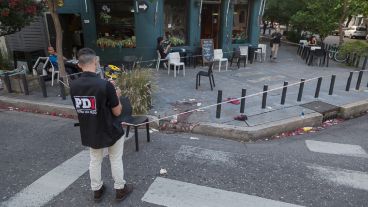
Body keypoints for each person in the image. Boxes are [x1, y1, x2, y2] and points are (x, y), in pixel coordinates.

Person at [70, 48, 133, 202]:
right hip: (110, 129)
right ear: (96, 62)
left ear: (79, 64)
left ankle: (97, 190)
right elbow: (117, 112)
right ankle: (120, 189)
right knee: (115, 159)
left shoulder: (73, 85)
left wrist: (109, 90)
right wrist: (115, 95)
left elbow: (83, 108)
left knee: (95, 160)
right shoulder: (105, 85)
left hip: (90, 129)